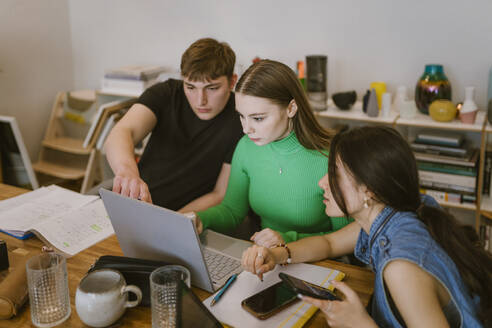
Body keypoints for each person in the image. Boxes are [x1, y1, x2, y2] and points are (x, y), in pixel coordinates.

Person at [241, 126, 492, 327]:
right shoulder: (392, 215)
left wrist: (360, 323)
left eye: (334, 174)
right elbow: (329, 243)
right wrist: (278, 254)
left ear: (368, 190)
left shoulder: (401, 267)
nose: (321, 182)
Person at [194, 60, 352, 246]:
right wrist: (200, 219)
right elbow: (232, 211)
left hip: (321, 264)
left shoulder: (331, 158)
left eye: (258, 118)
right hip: (267, 259)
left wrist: (287, 239)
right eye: (241, 116)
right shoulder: (247, 146)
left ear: (291, 108)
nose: (246, 129)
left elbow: (346, 238)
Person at [104, 38, 243, 212]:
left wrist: (173, 222)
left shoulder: (242, 119)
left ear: (232, 82)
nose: (201, 100)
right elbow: (123, 132)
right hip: (135, 202)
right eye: (191, 87)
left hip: (186, 215)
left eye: (212, 88)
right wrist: (127, 172)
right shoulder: (167, 93)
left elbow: (219, 194)